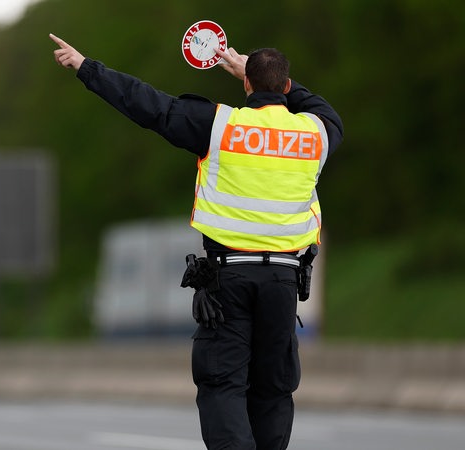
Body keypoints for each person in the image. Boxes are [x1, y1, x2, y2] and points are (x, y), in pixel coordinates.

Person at [49, 33, 343, 450]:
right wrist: (264, 77)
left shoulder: (219, 125)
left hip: (228, 280)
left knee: (223, 383)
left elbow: (148, 104)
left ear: (246, 85)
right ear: (288, 87)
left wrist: (87, 67)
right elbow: (323, 111)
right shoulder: (315, 133)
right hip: (283, 280)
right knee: (274, 387)